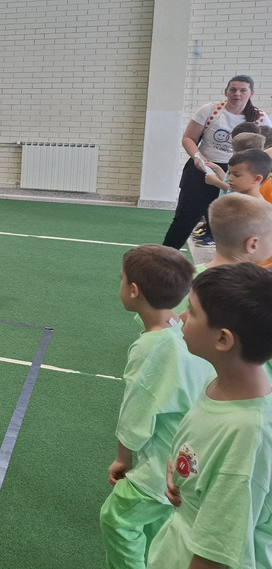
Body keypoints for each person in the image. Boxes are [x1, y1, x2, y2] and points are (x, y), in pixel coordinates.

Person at [147, 264, 272, 568]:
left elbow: (216, 552)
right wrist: (179, 470)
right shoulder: (217, 383)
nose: (181, 316)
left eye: (192, 311)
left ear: (223, 339)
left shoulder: (247, 434)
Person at [99, 245, 210, 569]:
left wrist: (123, 458)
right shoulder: (181, 329)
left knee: (117, 518)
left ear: (134, 291)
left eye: (121, 279)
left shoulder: (151, 348)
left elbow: (136, 410)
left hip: (163, 462)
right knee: (159, 520)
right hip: (190, 455)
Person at [162, 75, 270, 250]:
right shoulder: (210, 110)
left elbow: (265, 150)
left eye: (243, 90)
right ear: (226, 92)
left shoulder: (261, 117)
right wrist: (198, 158)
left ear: (251, 94)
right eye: (233, 89)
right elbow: (188, 138)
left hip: (239, 171)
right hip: (203, 168)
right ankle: (166, 254)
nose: (237, 94)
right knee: (185, 218)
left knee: (230, 222)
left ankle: (223, 252)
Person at [204, 148, 271, 200]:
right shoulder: (235, 200)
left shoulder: (258, 209)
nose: (229, 178)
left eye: (237, 175)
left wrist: (216, 182)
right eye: (230, 173)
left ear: (257, 179)